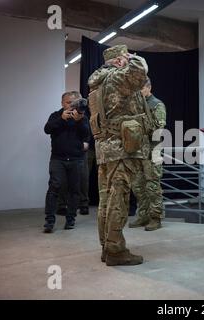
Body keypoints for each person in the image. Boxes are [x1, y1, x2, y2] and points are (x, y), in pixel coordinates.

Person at [88, 44, 157, 266]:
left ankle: (106, 247)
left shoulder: (97, 84)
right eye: (124, 59)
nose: (127, 62)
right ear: (118, 62)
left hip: (105, 149)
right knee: (119, 198)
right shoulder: (117, 78)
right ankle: (116, 250)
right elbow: (139, 72)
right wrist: (133, 58)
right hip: (121, 149)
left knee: (106, 198)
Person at [43, 91, 90, 233]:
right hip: (58, 159)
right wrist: (61, 119)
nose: (71, 105)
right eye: (69, 102)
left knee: (74, 191)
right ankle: (49, 222)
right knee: (54, 188)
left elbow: (86, 135)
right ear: (62, 103)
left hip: (76, 159)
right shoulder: (55, 115)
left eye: (74, 102)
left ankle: (71, 220)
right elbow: (47, 129)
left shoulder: (82, 117)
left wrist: (79, 121)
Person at [129, 77, 166, 231]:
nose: (138, 92)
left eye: (140, 89)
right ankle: (143, 215)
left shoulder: (157, 104)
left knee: (152, 186)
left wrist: (141, 124)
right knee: (137, 186)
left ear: (148, 87)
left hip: (153, 150)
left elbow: (159, 130)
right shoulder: (136, 105)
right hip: (138, 151)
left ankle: (155, 217)